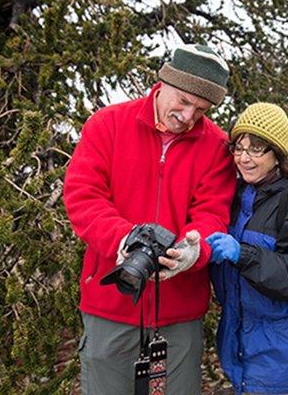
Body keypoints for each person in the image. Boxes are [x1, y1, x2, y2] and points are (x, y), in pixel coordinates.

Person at [63, 44, 237, 394]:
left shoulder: (217, 146)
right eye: (184, 102)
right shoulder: (107, 125)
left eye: (201, 109)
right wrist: (122, 239)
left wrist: (192, 250)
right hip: (111, 302)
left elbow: (212, 214)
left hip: (178, 312)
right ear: (163, 82)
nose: (188, 117)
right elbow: (83, 196)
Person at [206, 103, 288, 395]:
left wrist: (243, 254)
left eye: (256, 149)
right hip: (239, 351)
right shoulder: (234, 195)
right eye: (238, 147)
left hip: (286, 358)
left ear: (277, 155)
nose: (244, 158)